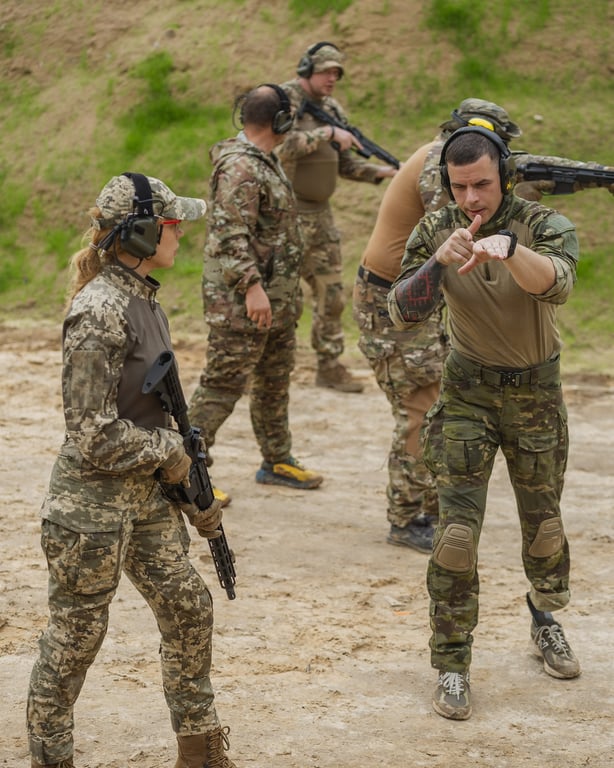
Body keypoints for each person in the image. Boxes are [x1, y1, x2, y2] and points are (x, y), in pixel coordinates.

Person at [27, 173, 238, 768]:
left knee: (189, 606)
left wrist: (179, 457)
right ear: (141, 234)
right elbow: (91, 433)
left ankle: (199, 749)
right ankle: (51, 757)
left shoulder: (142, 295)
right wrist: (168, 450)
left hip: (144, 496)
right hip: (90, 506)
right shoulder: (99, 310)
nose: (180, 234)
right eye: (172, 224)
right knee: (76, 638)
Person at [354, 97, 614, 553]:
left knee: (434, 398)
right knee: (421, 403)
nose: (473, 192)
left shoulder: (448, 157)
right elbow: (469, 224)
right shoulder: (443, 168)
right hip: (394, 296)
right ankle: (407, 514)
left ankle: (433, 505)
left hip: (432, 290)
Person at [388, 125, 581, 721]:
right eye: (459, 187)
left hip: (535, 396)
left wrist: (509, 250)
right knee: (455, 536)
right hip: (467, 395)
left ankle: (544, 618)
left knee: (543, 525)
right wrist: (437, 267)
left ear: (505, 177)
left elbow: (559, 284)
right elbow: (400, 310)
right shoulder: (436, 229)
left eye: (482, 186)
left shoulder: (543, 225)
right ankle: (450, 662)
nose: (471, 199)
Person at [188, 84, 323, 491]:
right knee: (222, 385)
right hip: (243, 304)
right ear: (280, 121)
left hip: (276, 301)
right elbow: (230, 235)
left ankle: (277, 459)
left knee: (272, 382)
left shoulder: (263, 159)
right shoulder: (241, 168)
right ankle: (185, 472)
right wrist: (251, 288)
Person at [278, 41, 397, 393]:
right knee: (279, 295)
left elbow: (345, 164)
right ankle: (259, 369)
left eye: (337, 73)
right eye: (326, 71)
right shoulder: (283, 101)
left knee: (332, 294)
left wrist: (382, 173)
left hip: (320, 215)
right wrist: (327, 133)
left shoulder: (332, 108)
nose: (332, 78)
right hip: (285, 214)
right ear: (306, 70)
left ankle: (329, 365)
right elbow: (281, 145)